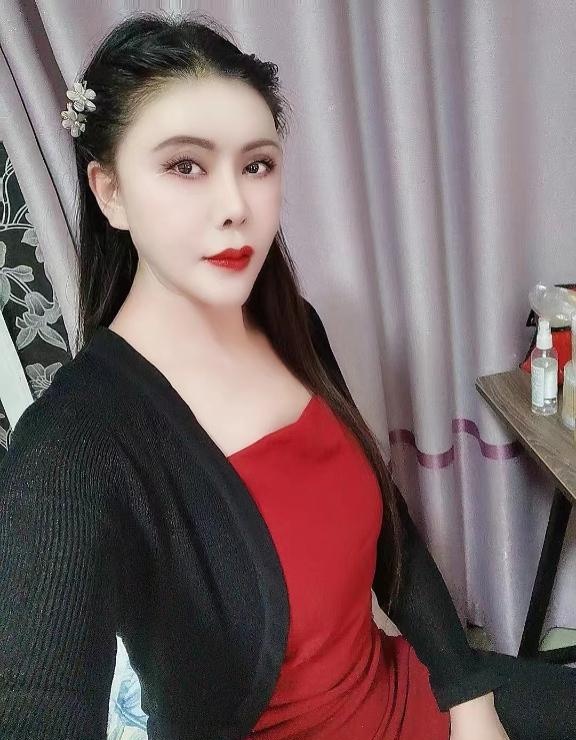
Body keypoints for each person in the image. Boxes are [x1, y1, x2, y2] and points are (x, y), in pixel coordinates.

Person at [0, 10, 574, 740]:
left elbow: (391, 532)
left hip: (404, 690)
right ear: (110, 192)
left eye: (257, 165)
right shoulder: (71, 447)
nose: (235, 206)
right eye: (185, 166)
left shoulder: (294, 326)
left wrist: (466, 695)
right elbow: (35, 696)